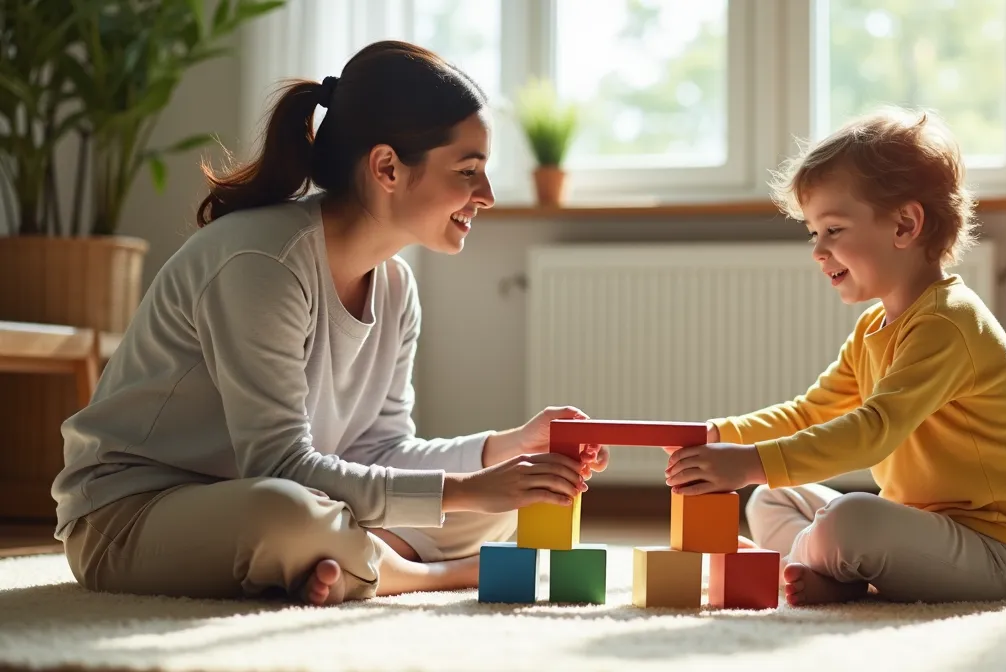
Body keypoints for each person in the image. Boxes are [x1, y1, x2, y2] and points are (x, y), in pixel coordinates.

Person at [50, 40, 606, 606]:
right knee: (288, 514)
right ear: (387, 167)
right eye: (468, 171)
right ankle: (422, 574)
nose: (485, 196)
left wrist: (507, 450)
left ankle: (348, 563)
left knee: (506, 504)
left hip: (270, 499)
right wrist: (468, 489)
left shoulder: (395, 286)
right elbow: (280, 466)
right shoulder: (263, 262)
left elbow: (381, 449)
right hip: (129, 517)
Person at [664, 107, 1006, 606]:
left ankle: (805, 562)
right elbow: (809, 413)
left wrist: (749, 462)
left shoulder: (946, 323)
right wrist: (720, 435)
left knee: (851, 518)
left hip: (998, 551)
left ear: (904, 224)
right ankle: (826, 567)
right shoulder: (873, 330)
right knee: (773, 495)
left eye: (833, 230)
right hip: (921, 528)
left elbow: (872, 431)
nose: (817, 250)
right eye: (814, 233)